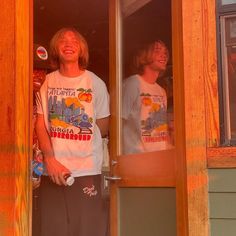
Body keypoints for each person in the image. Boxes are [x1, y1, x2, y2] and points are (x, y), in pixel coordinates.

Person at [35, 27, 110, 236]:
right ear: (56, 49)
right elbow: (40, 124)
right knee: (52, 230)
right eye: (63, 40)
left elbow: (102, 125)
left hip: (87, 171)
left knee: (87, 231)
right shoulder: (47, 82)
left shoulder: (95, 83)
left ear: (82, 49)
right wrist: (50, 159)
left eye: (74, 40)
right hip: (54, 172)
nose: (69, 44)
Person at [122, 40, 171, 154]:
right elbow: (118, 122)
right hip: (137, 158)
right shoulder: (132, 84)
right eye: (157, 50)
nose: (163, 55)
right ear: (143, 55)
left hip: (159, 158)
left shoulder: (161, 91)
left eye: (165, 52)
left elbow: (163, 127)